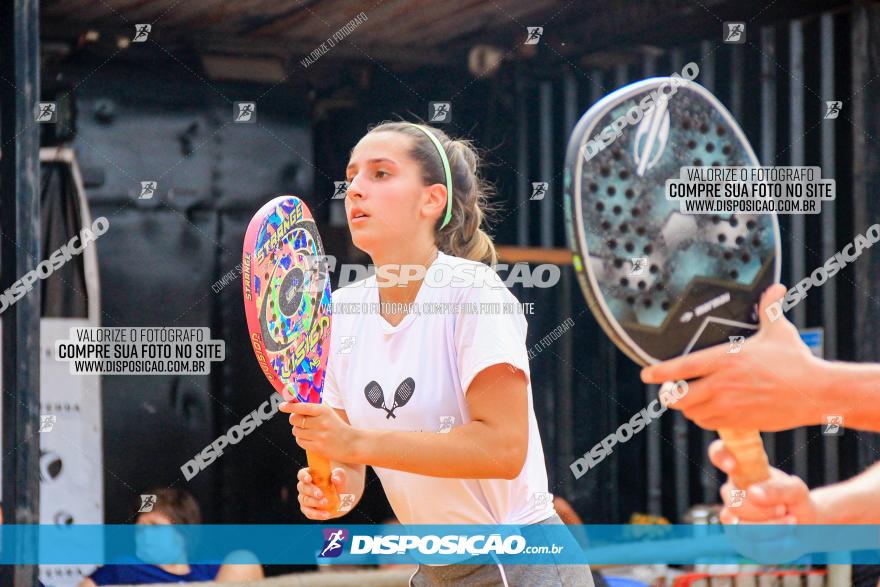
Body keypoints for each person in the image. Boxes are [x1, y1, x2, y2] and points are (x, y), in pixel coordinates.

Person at [281, 121, 593, 586]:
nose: (355, 190)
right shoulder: (341, 312)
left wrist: (356, 444)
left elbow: (503, 450)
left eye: (381, 174)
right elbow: (350, 468)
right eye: (352, 176)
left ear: (432, 200)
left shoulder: (472, 291)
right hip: (434, 571)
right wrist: (334, 491)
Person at [80, 488, 263, 585]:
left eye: (154, 526)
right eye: (140, 529)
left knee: (243, 560)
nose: (143, 535)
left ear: (182, 533)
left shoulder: (212, 570)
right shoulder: (122, 568)